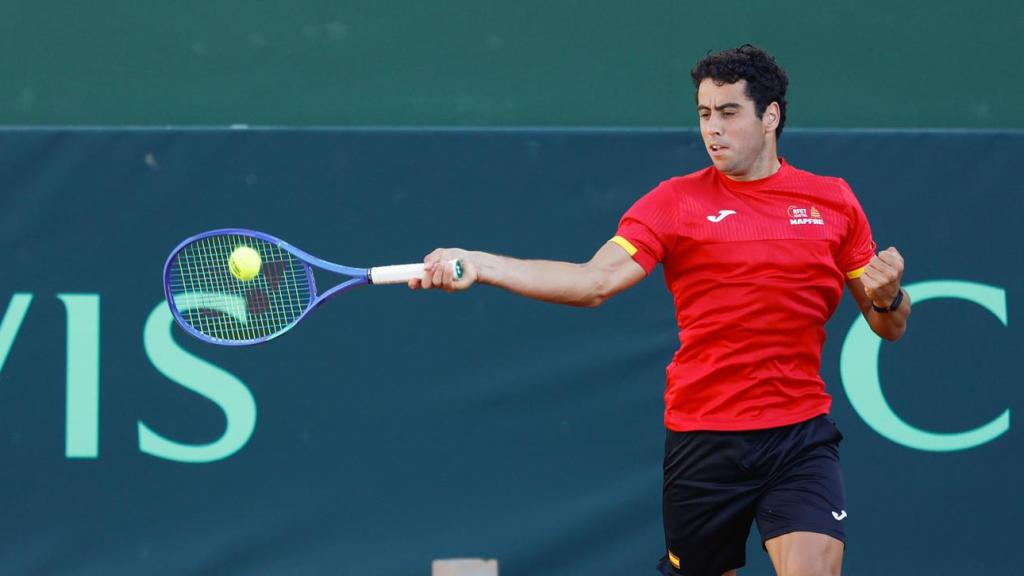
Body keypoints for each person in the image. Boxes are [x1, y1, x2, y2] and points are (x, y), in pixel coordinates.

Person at [409, 44, 910, 576]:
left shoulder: (832, 201)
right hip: (704, 438)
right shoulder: (675, 202)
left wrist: (888, 296)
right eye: (704, 113)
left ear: (771, 116)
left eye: (729, 112)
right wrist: (483, 264)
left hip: (798, 436)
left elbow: (889, 325)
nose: (712, 129)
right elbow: (593, 282)